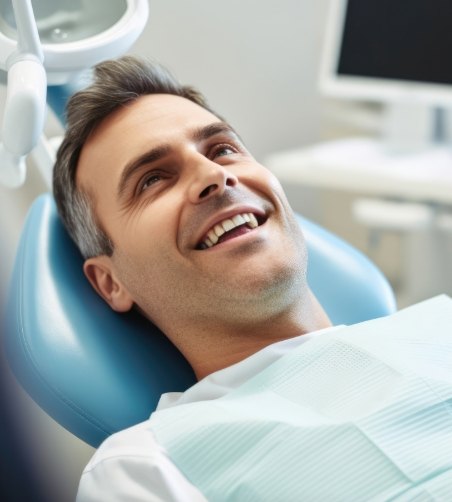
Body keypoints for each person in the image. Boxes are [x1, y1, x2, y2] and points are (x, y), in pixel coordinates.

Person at [53, 56, 452, 501]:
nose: (215, 177)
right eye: (151, 180)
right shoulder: (146, 466)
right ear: (111, 282)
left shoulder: (439, 327)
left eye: (222, 149)